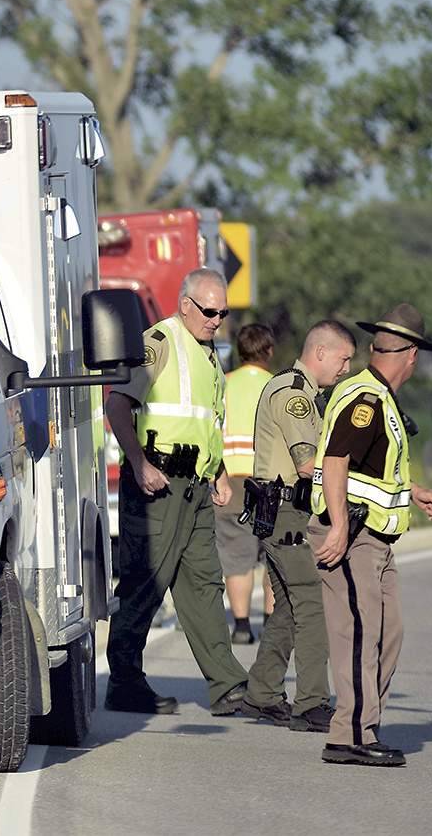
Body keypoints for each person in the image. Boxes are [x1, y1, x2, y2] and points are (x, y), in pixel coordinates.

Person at [104, 267, 249, 716]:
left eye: (223, 312)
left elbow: (206, 422)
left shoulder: (209, 356)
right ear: (186, 304)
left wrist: (219, 470)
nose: (217, 319)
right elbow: (116, 404)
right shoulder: (158, 344)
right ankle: (124, 683)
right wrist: (139, 463)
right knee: (145, 584)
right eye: (209, 311)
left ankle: (227, 685)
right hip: (158, 486)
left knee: (205, 586)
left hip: (195, 489)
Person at [311, 304, 432, 766]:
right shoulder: (367, 399)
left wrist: (411, 492)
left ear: (375, 348)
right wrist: (341, 527)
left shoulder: (380, 396)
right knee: (358, 632)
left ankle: (365, 724)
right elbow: (335, 462)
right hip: (352, 534)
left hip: (375, 537)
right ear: (411, 355)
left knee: (389, 632)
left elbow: (372, 474)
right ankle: (348, 735)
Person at [238, 320, 357, 733]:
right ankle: (311, 703)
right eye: (343, 359)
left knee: (288, 607)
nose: (345, 369)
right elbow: (309, 464)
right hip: (286, 511)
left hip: (282, 511)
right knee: (312, 603)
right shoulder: (294, 395)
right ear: (321, 352)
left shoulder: (302, 392)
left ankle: (262, 694)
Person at [218, 323, 275, 644]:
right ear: (269, 351)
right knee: (272, 554)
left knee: (236, 556)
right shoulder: (279, 387)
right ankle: (269, 621)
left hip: (231, 480)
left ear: (239, 353)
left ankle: (241, 626)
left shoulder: (223, 384)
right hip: (270, 482)